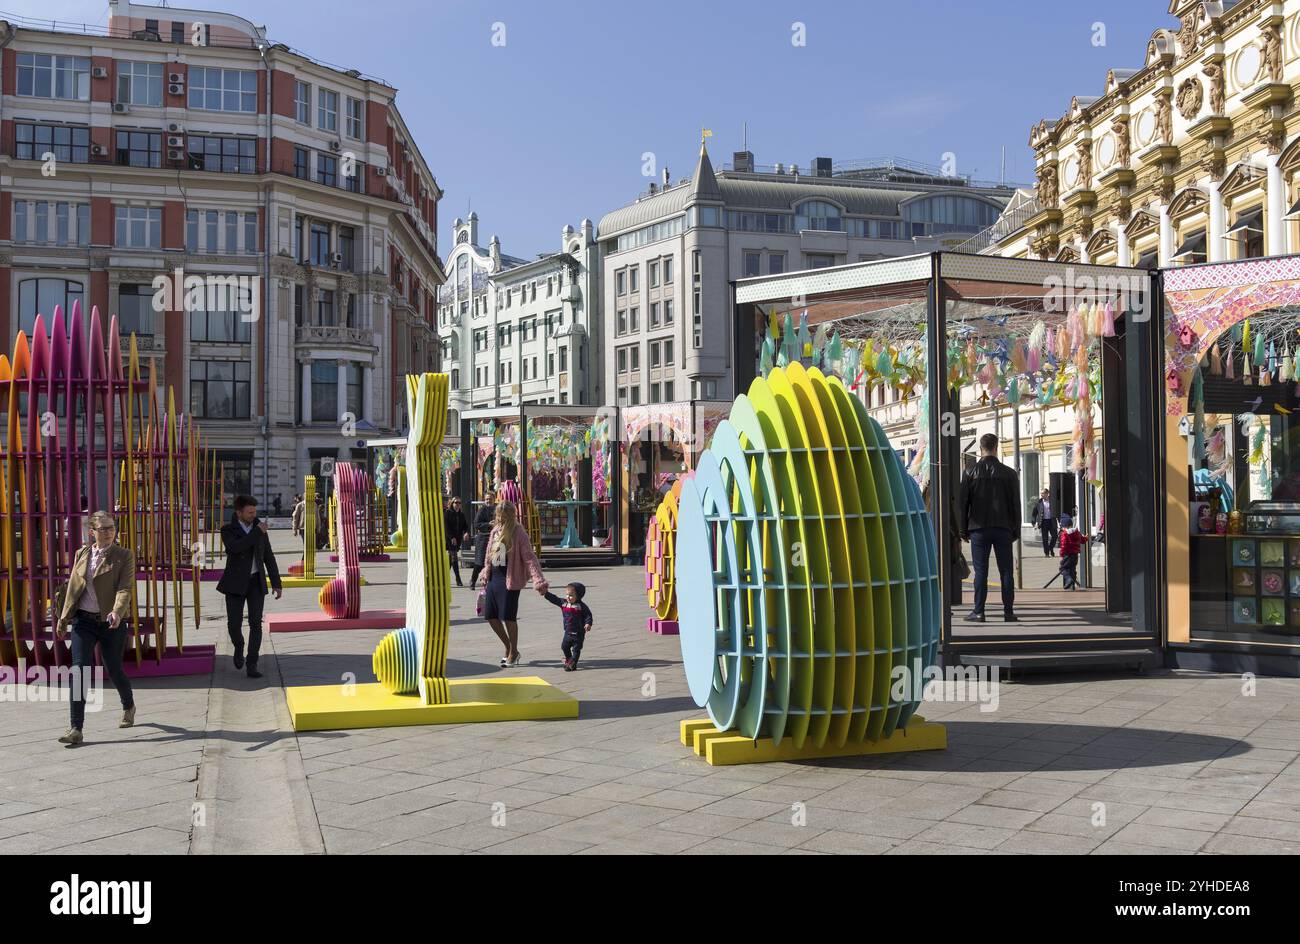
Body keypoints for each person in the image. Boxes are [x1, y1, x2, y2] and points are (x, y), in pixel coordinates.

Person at [54, 511, 136, 746]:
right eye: (104, 529)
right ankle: (76, 728)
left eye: (112, 528)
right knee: (79, 670)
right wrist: (62, 618)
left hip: (111, 623)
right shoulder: (82, 553)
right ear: (92, 532)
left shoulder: (124, 555)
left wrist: (117, 611)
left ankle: (128, 705)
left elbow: (125, 588)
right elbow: (72, 588)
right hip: (83, 621)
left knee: (114, 670)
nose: (109, 532)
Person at [217, 495, 283, 678]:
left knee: (256, 624)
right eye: (249, 512)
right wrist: (256, 533)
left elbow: (269, 557)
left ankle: (252, 663)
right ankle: (238, 646)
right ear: (239, 513)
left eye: (255, 512)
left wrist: (277, 583)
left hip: (255, 583)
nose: (254, 515)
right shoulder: (227, 530)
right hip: (235, 584)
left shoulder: (259, 529)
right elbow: (236, 548)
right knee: (234, 625)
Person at [475, 500, 547, 667]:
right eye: (497, 515)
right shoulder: (495, 531)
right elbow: (488, 555)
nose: (499, 518)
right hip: (494, 578)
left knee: (508, 617)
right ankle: (508, 646)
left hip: (510, 580)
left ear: (510, 515)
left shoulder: (518, 531)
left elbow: (529, 557)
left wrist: (538, 580)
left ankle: (513, 652)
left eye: (502, 515)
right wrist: (486, 572)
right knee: (491, 617)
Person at [958, 433, 1021, 622]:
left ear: (980, 449)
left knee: (981, 571)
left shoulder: (970, 472)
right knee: (1006, 571)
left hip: (978, 528)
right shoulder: (1009, 473)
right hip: (1003, 527)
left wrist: (963, 530)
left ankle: (979, 611)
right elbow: (1015, 504)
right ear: (996, 447)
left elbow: (963, 504)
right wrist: (1015, 529)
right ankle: (1008, 612)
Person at [543, 581, 593, 671]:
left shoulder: (582, 606)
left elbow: (588, 615)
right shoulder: (564, 603)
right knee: (564, 646)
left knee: (576, 649)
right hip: (568, 632)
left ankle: (573, 663)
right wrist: (546, 593)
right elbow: (555, 599)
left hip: (578, 633)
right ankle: (569, 660)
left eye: (571, 595)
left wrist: (588, 623)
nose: (568, 597)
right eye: (567, 595)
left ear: (578, 596)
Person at [444, 497, 470, 587]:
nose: (457, 504)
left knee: (451, 560)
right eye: (456, 502)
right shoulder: (447, 513)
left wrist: (466, 532)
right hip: (449, 540)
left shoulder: (461, 515)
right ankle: (458, 579)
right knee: (454, 558)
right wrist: (451, 537)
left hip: (457, 540)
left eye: (459, 503)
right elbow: (446, 527)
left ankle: (444, 579)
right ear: (452, 503)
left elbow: (465, 526)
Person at [469, 500, 495, 589]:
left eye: (490, 498)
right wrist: (488, 524)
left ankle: (488, 583)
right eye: (487, 499)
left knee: (492, 562)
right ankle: (473, 580)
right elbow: (476, 524)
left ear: (493, 499)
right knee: (479, 562)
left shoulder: (496, 509)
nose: (488, 501)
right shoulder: (481, 510)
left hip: (494, 539)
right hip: (482, 539)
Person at [1058, 514, 1087, 590]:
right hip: (1075, 554)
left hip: (1067, 554)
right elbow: (1083, 540)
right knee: (1072, 569)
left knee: (1063, 568)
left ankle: (1069, 580)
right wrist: (1086, 537)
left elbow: (1064, 545)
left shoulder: (1064, 534)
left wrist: (1061, 554)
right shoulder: (1077, 532)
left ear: (1064, 526)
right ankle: (1072, 586)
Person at [1031, 488, 1057, 557]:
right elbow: (1034, 513)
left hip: (1051, 521)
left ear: (1047, 494)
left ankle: (1050, 548)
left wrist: (1060, 521)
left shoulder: (1052, 501)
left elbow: (1057, 511)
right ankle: (1047, 553)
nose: (1041, 495)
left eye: (1043, 493)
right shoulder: (1038, 503)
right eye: (1041, 493)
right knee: (1045, 539)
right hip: (1043, 522)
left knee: (1055, 536)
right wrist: (1034, 523)